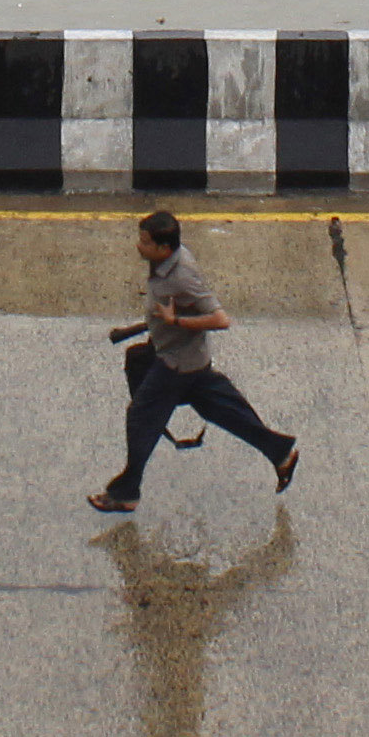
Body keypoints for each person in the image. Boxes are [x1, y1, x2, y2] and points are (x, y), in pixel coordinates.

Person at [91, 208, 297, 511]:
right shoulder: (166, 263)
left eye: (145, 243)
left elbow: (220, 319)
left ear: (164, 248)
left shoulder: (182, 276)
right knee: (222, 408)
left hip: (176, 364)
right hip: (182, 357)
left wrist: (175, 322)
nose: (139, 246)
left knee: (140, 417)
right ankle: (279, 452)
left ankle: (126, 493)